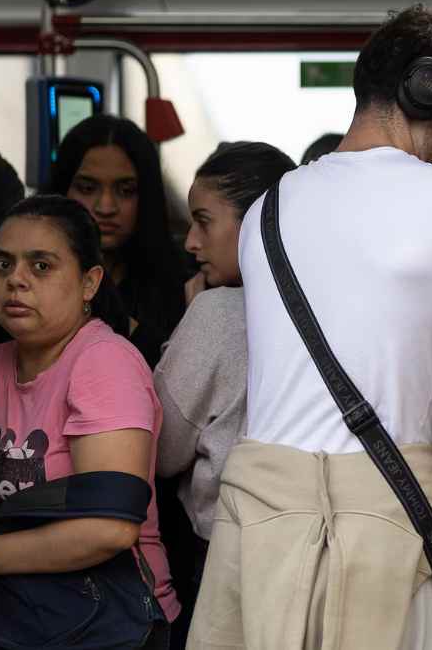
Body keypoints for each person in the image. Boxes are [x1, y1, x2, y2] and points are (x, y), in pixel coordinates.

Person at [186, 6, 432, 650]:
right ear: (425, 92)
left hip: (258, 526)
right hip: (388, 525)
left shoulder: (267, 210)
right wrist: (431, 509)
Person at [0, 195, 181, 641]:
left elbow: (111, 528)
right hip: (7, 614)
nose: (16, 281)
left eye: (42, 266)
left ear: (89, 283)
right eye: (3, 265)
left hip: (97, 619)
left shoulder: (103, 363)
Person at [153, 141, 296, 647]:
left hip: (224, 554)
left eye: (204, 222)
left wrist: (191, 320)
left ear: (255, 221)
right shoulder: (340, 304)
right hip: (316, 547)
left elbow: (163, 449)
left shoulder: (215, 314)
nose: (191, 242)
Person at [49, 114, 188, 368]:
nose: (106, 207)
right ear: (62, 190)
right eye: (88, 188)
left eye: (125, 191)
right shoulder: (32, 275)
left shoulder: (183, 283)